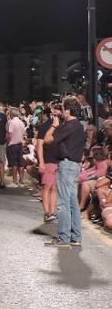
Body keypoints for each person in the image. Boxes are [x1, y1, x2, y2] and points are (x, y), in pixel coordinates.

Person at [44, 97, 87, 247]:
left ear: (67, 110)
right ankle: (75, 237)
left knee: (63, 203)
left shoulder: (68, 125)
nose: (61, 111)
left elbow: (47, 139)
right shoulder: (79, 126)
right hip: (75, 165)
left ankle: (63, 238)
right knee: (73, 202)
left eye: (62, 108)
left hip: (67, 165)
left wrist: (55, 125)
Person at [36, 104, 60, 222]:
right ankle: (47, 212)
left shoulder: (65, 126)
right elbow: (39, 145)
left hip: (60, 160)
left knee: (55, 187)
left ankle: (53, 212)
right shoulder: (45, 126)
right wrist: (41, 162)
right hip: (48, 159)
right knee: (47, 186)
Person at [6, 107, 26, 187]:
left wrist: (7, 141)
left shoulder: (11, 122)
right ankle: (21, 180)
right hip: (20, 144)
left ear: (11, 114)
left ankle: (14, 181)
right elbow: (23, 133)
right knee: (20, 163)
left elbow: (10, 134)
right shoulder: (21, 122)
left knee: (13, 163)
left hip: (12, 144)